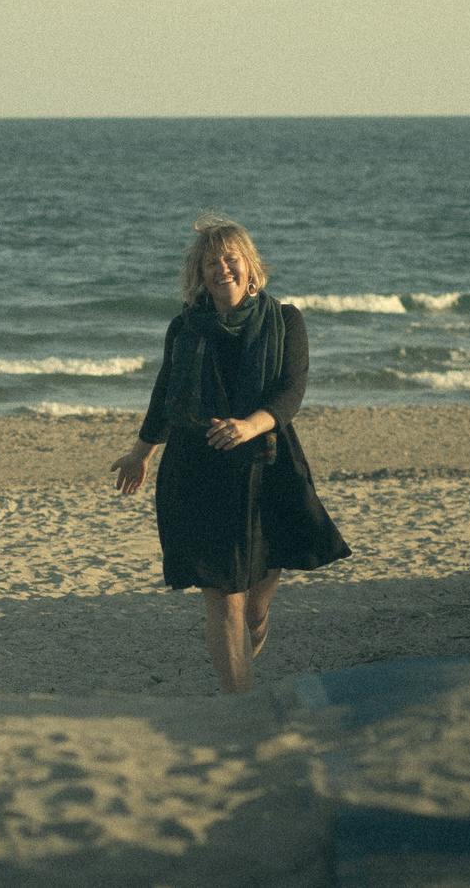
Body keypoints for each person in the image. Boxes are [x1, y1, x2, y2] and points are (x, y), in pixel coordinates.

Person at [111, 212, 348, 693]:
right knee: (224, 599)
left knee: (256, 604)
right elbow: (164, 395)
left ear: (249, 266)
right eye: (209, 264)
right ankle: (239, 706)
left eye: (229, 259)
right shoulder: (184, 328)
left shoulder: (285, 321)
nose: (221, 269)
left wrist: (248, 426)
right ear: (198, 276)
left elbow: (290, 392)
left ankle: (246, 661)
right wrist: (140, 452)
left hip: (266, 467)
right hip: (197, 469)